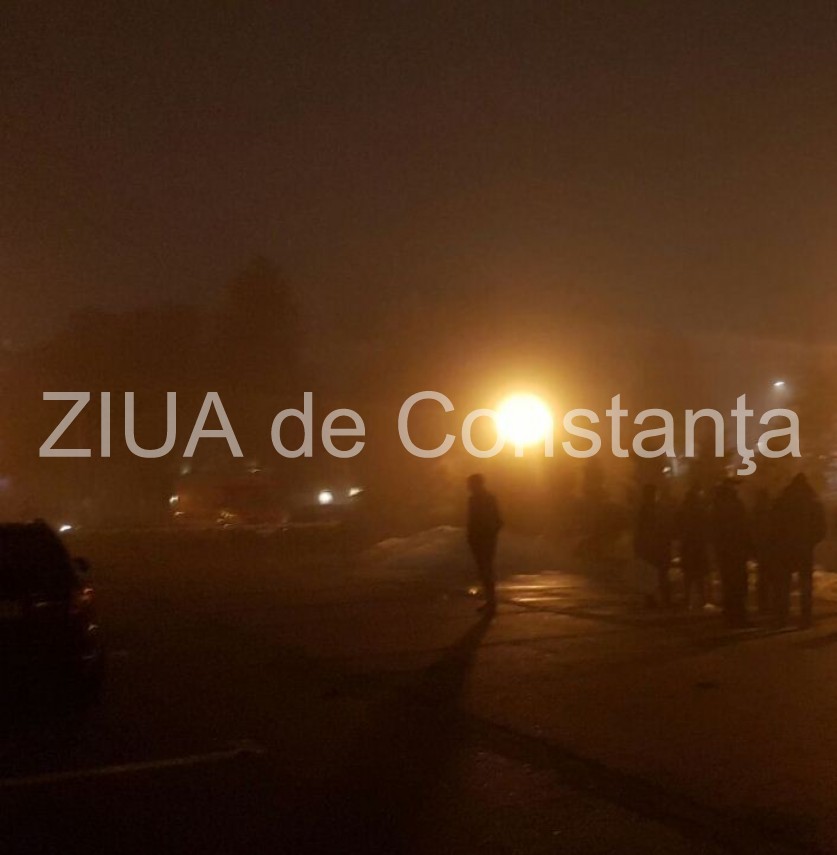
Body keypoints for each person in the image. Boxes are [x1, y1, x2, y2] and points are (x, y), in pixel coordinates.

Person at [772, 473, 826, 629]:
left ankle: (781, 617)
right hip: (804, 547)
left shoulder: (783, 499)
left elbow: (773, 523)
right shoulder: (812, 501)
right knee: (805, 583)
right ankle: (806, 618)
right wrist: (811, 541)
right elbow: (820, 526)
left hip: (785, 547)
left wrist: (779, 541)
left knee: (783, 584)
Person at [711, 479, 751, 628]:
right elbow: (743, 527)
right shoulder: (735, 505)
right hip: (736, 550)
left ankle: (730, 613)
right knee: (738, 583)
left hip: (724, 550)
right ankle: (738, 614)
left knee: (728, 582)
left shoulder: (717, 505)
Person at [466, 474, 503, 615]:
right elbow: (498, 520)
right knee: (485, 570)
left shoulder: (477, 500)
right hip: (484, 538)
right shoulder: (486, 498)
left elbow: (476, 520)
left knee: (485, 570)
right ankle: (490, 601)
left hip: (482, 538)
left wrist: (485, 534)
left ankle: (491, 602)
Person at [634, 484, 673, 608]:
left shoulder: (645, 509)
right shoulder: (655, 509)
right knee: (660, 573)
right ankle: (663, 598)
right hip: (656, 545)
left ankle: (653, 598)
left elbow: (640, 529)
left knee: (652, 573)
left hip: (650, 546)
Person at [676, 485, 710, 610]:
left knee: (688, 574)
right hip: (698, 545)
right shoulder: (700, 510)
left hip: (688, 545)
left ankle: (687, 598)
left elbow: (678, 527)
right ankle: (702, 598)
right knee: (699, 573)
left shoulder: (683, 510)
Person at [751, 488, 775, 614]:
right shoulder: (771, 513)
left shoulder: (755, 512)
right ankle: (768, 603)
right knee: (770, 576)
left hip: (761, 547)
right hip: (769, 547)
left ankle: (762, 603)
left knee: (762, 576)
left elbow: (752, 531)